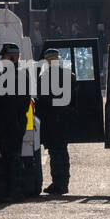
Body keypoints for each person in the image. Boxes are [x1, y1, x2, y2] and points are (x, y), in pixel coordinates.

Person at [0, 43, 30, 201]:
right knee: (15, 155)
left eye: (3, 56)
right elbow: (26, 100)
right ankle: (17, 189)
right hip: (19, 120)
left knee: (9, 157)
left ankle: (13, 191)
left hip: (5, 121)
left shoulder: (0, 75)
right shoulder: (24, 73)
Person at [35, 47, 71, 195]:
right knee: (62, 151)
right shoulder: (70, 75)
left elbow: (42, 100)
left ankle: (58, 184)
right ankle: (63, 183)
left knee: (56, 153)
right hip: (65, 119)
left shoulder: (44, 78)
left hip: (51, 120)